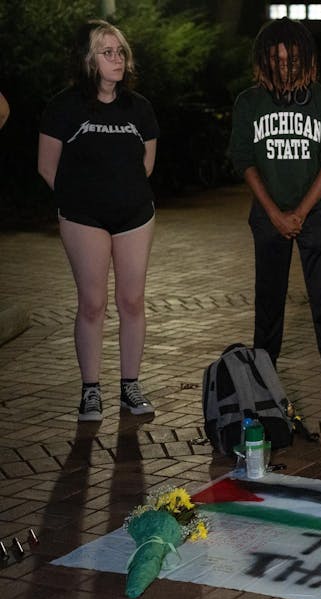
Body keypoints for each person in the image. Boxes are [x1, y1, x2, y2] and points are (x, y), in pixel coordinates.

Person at [38, 20, 158, 422]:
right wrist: (82, 201)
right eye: (107, 52)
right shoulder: (64, 106)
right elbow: (47, 167)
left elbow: (147, 163)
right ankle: (91, 390)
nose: (116, 59)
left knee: (132, 301)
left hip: (135, 216)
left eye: (120, 51)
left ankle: (130, 387)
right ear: (88, 59)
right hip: (84, 217)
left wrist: (122, 193)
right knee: (92, 304)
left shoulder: (139, 107)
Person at [229, 18, 321, 402]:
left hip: (314, 213)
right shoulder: (249, 103)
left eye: (293, 59)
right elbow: (244, 159)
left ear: (308, 59)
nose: (286, 67)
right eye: (277, 60)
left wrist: (299, 211)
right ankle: (264, 372)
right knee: (268, 296)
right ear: (263, 60)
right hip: (268, 215)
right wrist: (276, 213)